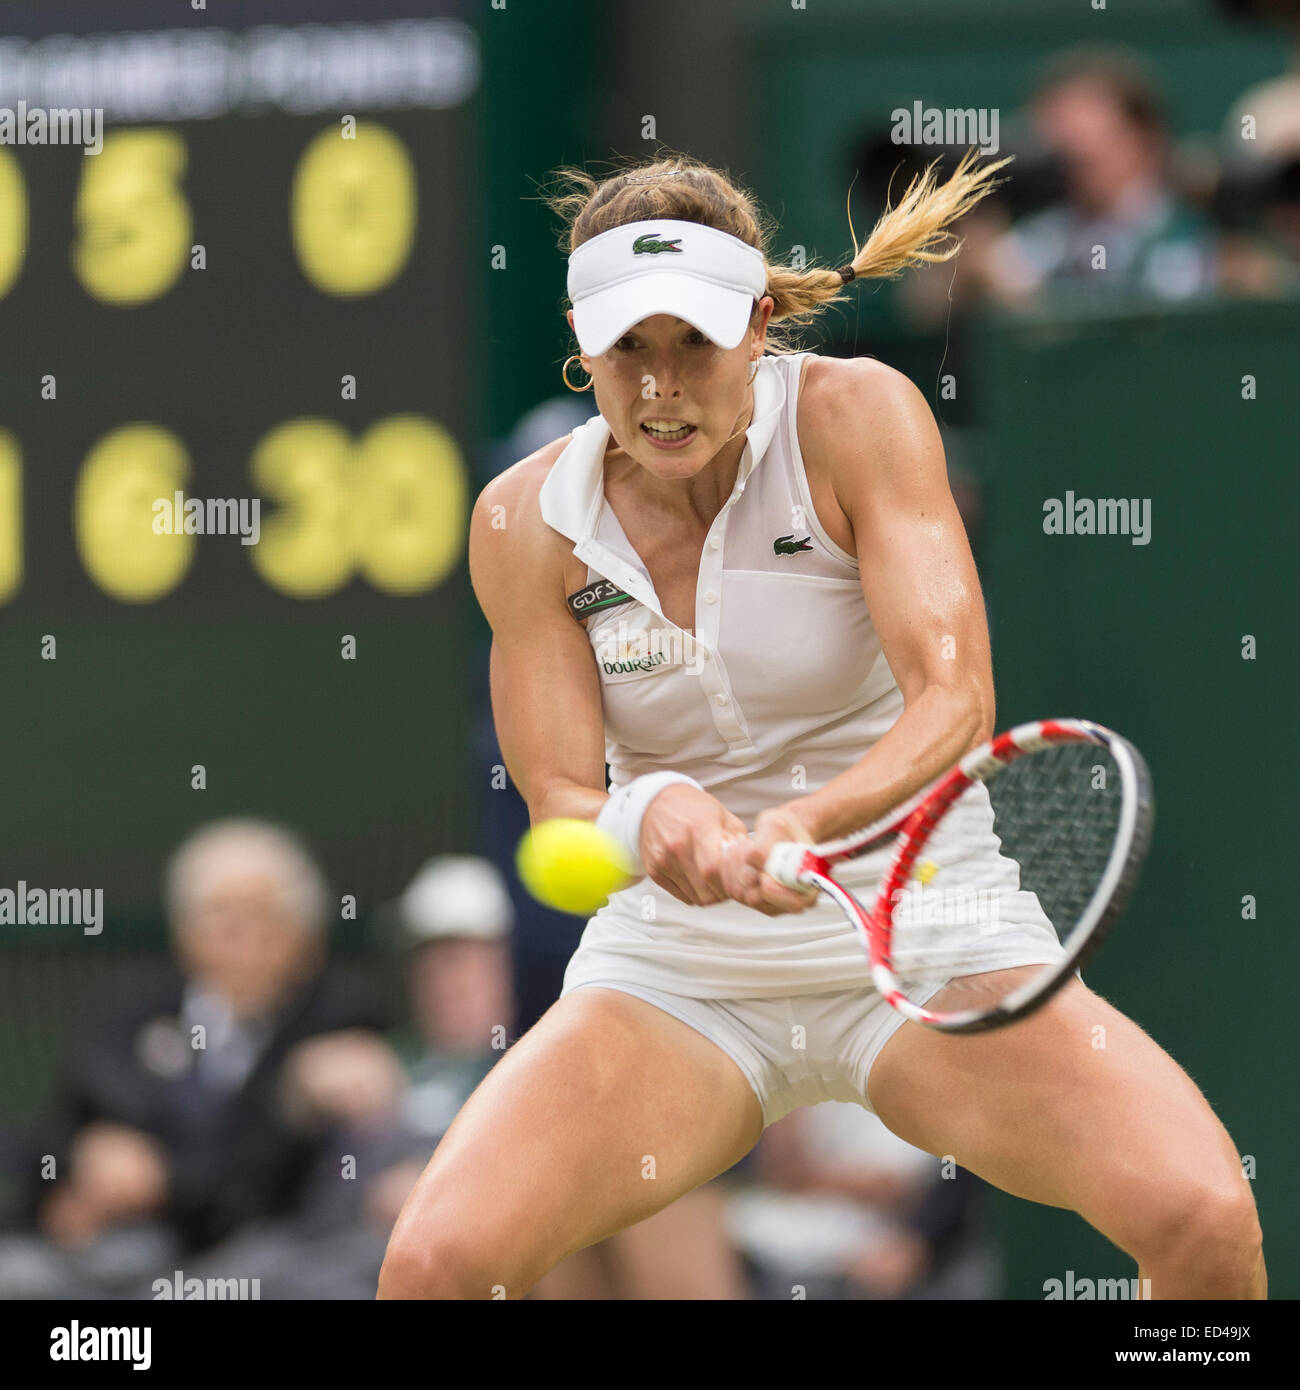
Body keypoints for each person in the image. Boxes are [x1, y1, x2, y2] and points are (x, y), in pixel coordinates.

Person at [378, 150, 1264, 1300]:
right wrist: (653, 816)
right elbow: (560, 808)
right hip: (678, 976)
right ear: (580, 344)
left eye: (692, 341)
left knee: (1201, 1218)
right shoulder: (520, 520)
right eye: (626, 348)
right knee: (437, 1264)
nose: (659, 387)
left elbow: (955, 698)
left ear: (756, 327)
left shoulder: (856, 416)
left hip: (928, 929)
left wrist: (805, 818)